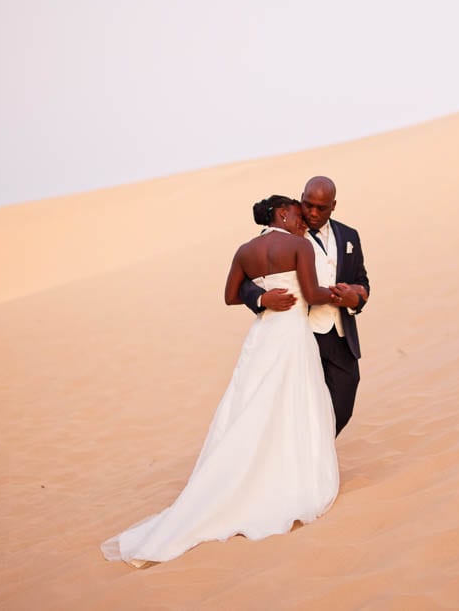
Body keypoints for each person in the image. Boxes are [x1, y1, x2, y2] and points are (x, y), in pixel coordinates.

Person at [101, 196, 340, 568]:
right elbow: (310, 294)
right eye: (296, 213)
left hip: (262, 337)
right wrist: (341, 293)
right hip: (291, 336)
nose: (301, 220)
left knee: (252, 406)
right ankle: (283, 477)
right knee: (292, 402)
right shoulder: (298, 245)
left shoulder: (245, 251)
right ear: (281, 214)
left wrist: (260, 296)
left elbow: (230, 295)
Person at [238, 176, 369, 436]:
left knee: (342, 402)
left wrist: (356, 299)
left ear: (333, 206)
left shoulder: (349, 236)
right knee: (299, 403)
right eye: (308, 204)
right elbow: (244, 279)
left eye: (321, 208)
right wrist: (261, 298)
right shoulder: (285, 233)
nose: (312, 212)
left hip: (341, 335)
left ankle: (314, 455)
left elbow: (361, 281)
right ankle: (307, 465)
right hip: (302, 333)